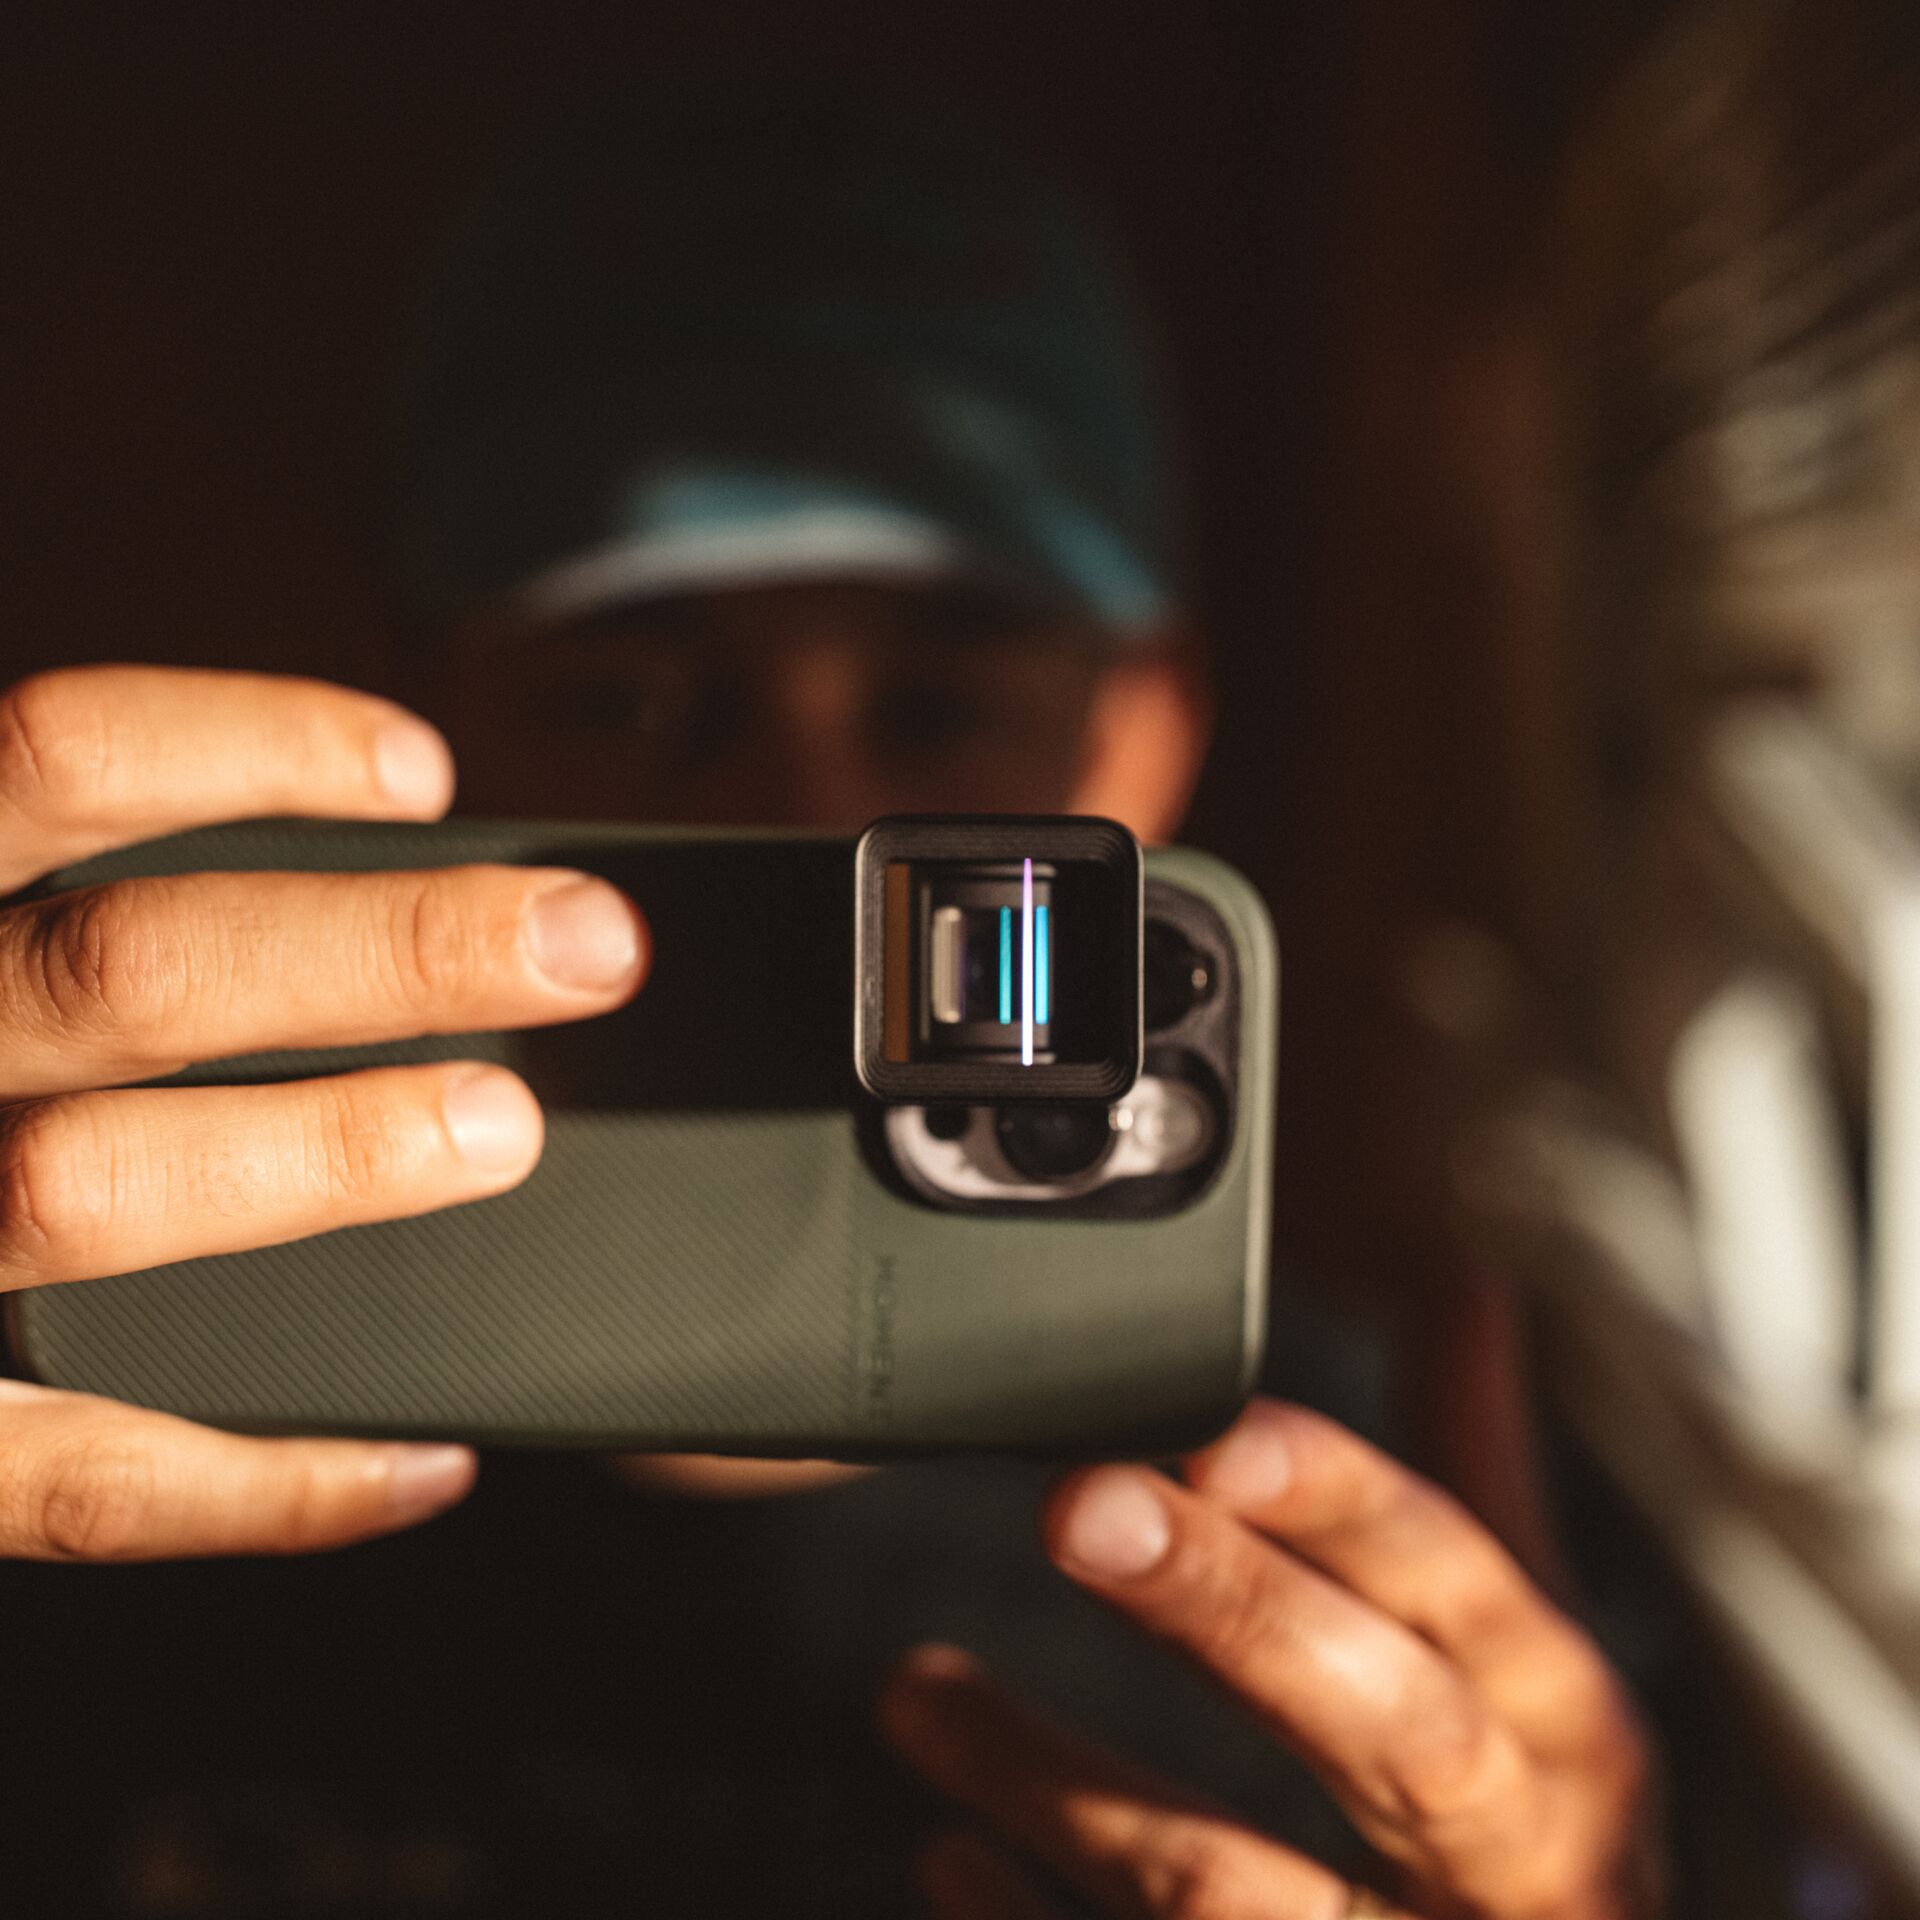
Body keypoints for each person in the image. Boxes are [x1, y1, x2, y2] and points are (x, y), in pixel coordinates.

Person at [0, 101, 1652, 1917]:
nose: (806, 823)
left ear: (1150, 735)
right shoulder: (101, 1386)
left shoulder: (1395, 1566)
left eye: (940, 707)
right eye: (633, 697)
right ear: (419, 716)